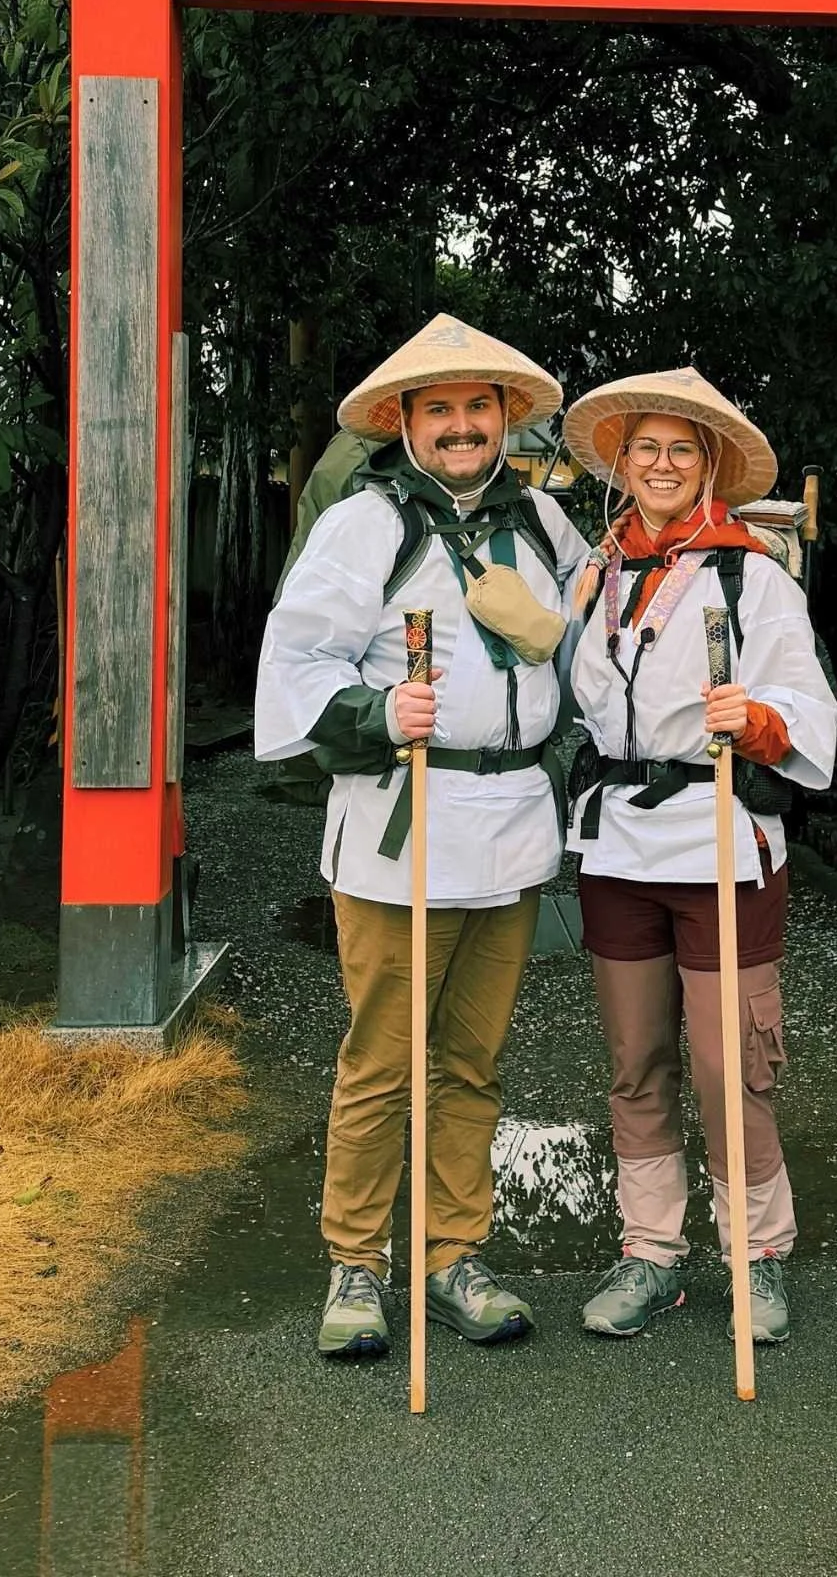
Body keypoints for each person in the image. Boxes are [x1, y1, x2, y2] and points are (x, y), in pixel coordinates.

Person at [256, 312, 591, 1361]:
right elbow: (297, 661)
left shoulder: (545, 527)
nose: (460, 426)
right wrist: (373, 712)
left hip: (512, 830)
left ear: (504, 418)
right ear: (403, 422)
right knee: (383, 1062)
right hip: (402, 830)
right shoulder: (364, 526)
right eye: (438, 409)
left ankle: (454, 1255)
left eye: (477, 407)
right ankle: (356, 1263)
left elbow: (598, 647)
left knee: (471, 1063)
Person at [561, 367, 837, 1344]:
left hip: (720, 839)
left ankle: (755, 1254)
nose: (663, 464)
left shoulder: (750, 575)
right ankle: (650, 1251)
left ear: (710, 466)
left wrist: (755, 721)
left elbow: (808, 705)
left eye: (683, 450)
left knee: (731, 1067)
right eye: (646, 447)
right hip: (617, 844)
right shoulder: (594, 574)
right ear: (621, 461)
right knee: (636, 1061)